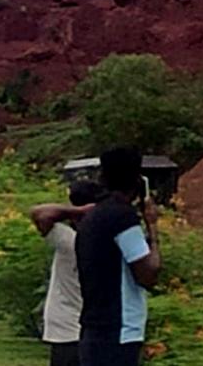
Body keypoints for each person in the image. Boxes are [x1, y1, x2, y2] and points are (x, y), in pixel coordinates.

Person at [75, 149, 162, 366]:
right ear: (137, 181)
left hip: (94, 328)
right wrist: (152, 226)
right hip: (119, 330)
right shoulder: (123, 218)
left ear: (103, 177)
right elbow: (148, 274)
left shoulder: (93, 216)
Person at [30, 181, 105, 366]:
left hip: (66, 328)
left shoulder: (69, 241)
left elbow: (39, 213)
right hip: (96, 328)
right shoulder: (106, 243)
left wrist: (78, 211)